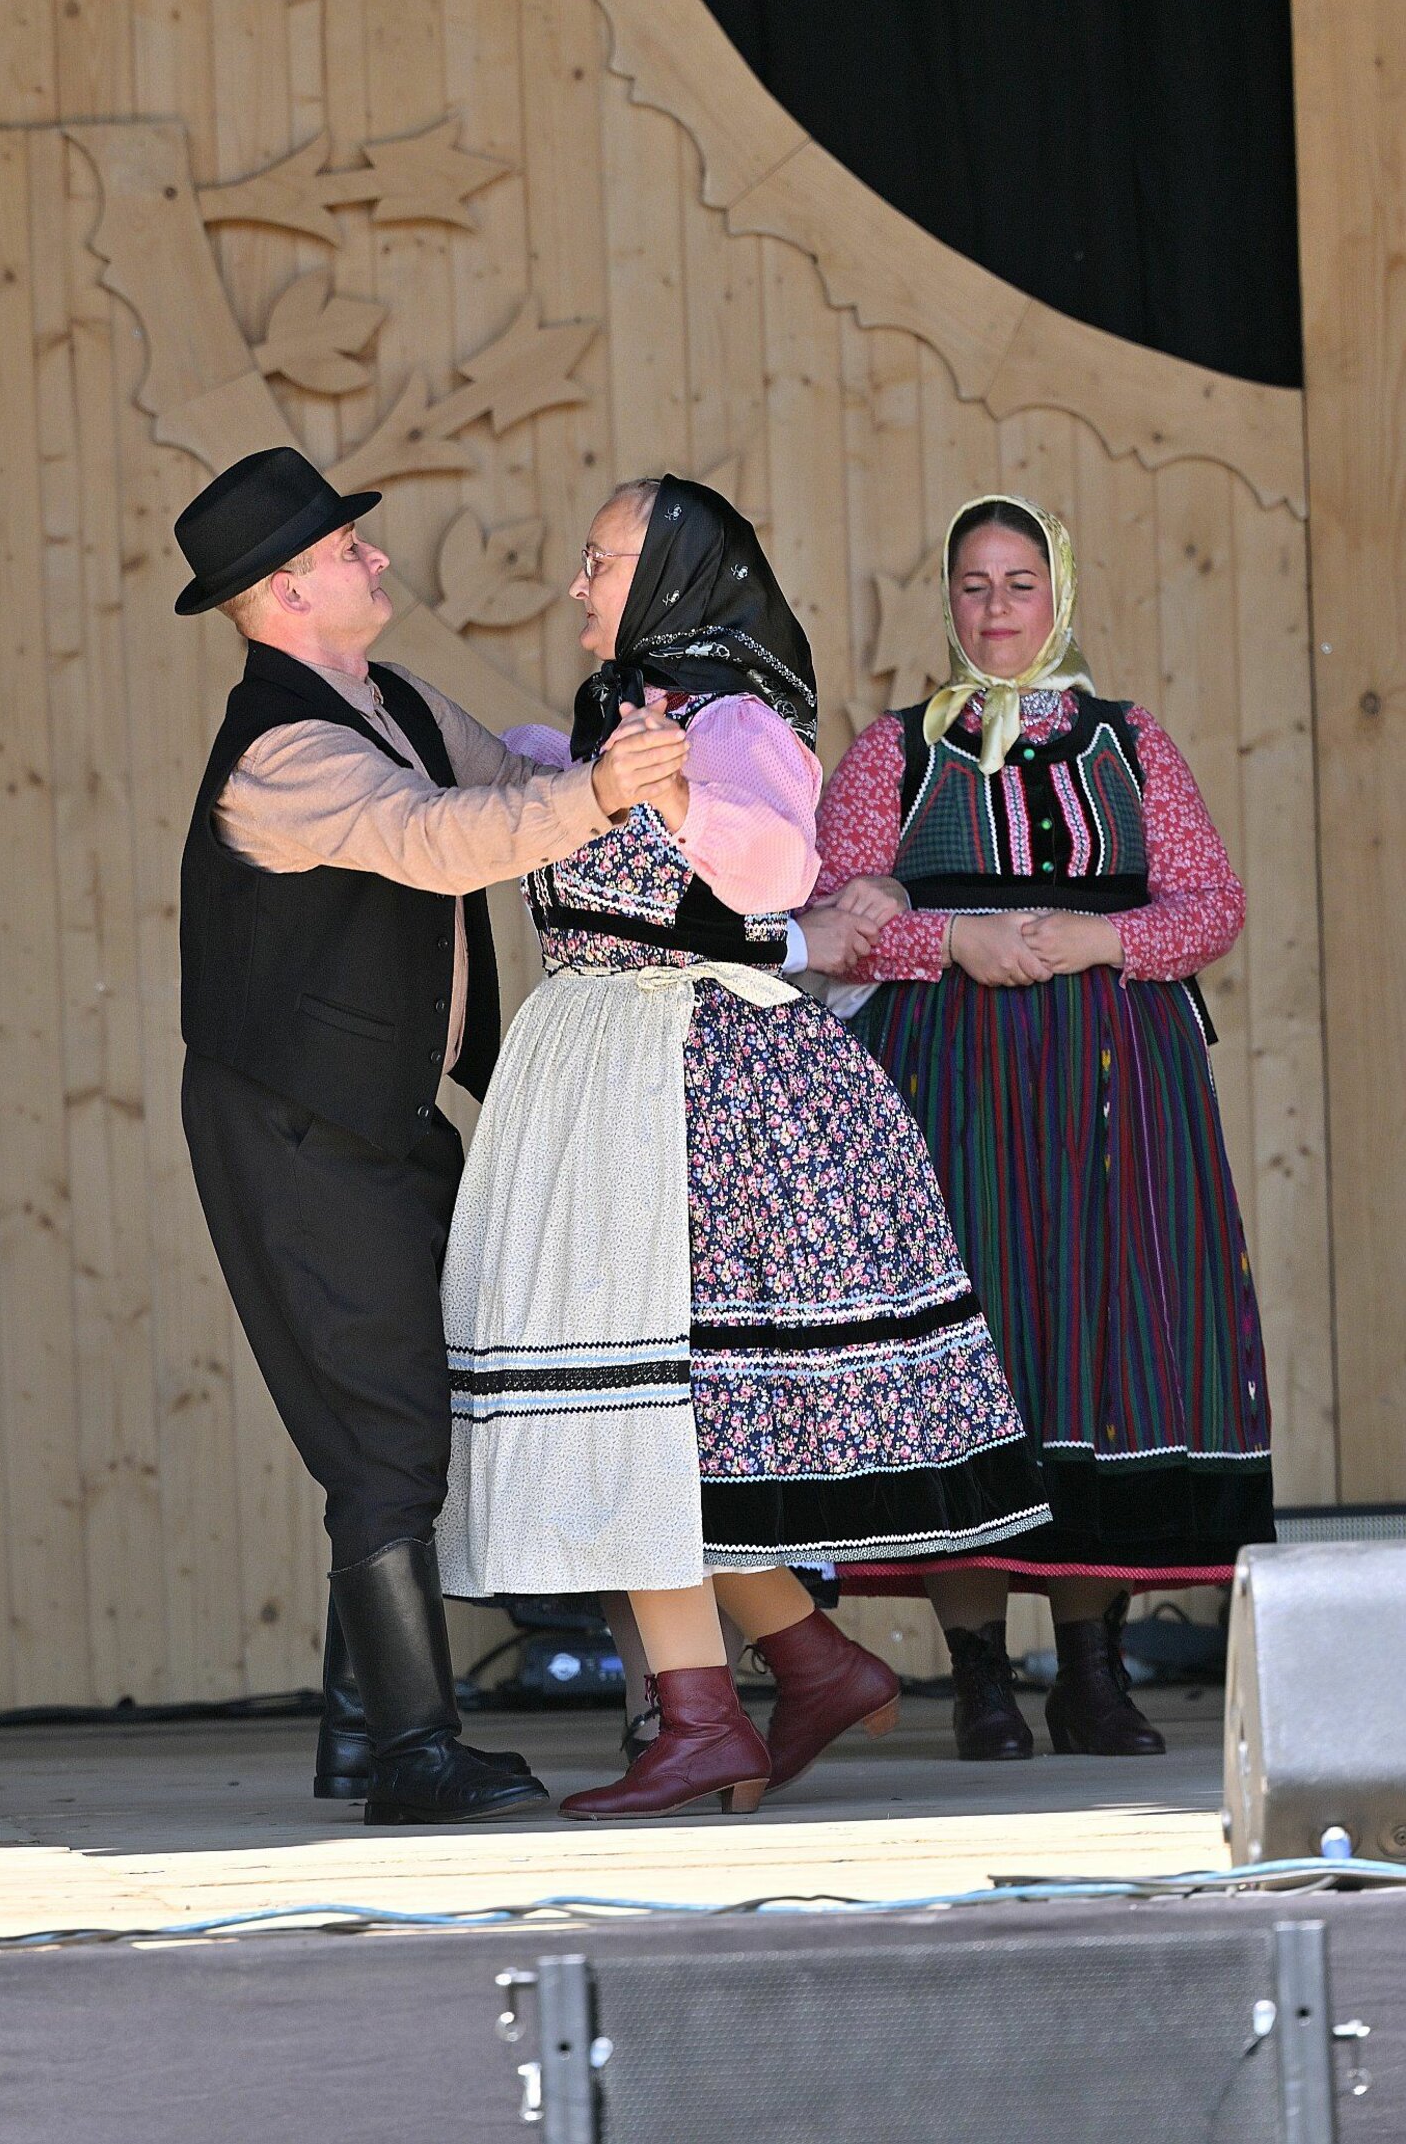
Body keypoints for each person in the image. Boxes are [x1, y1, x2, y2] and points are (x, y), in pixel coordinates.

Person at [436, 475, 1050, 1821]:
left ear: (669, 574)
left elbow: (774, 874)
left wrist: (671, 792)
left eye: (601, 560)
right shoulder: (606, 724)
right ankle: (806, 1662)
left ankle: (708, 1718)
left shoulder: (733, 725)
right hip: (598, 1074)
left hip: (689, 1084)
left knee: (644, 1405)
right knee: (635, 1407)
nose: (580, 584)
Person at [172, 446, 694, 1825]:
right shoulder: (280, 754)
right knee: (386, 1428)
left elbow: (515, 780)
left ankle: (365, 1735)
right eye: (351, 549)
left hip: (381, 1115)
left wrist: (648, 764)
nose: (378, 558)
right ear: (289, 589)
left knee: (422, 1403)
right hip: (294, 1125)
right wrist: (603, 792)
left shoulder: (390, 699)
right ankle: (412, 1753)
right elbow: (446, 839)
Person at [812, 493, 1275, 1759]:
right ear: (947, 600)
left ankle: (1091, 1672)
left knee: (1098, 1348)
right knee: (975, 1349)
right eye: (974, 585)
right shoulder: (894, 751)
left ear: (1056, 594)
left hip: (1112, 1090)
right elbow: (827, 919)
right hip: (946, 1089)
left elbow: (1211, 904)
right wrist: (950, 938)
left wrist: (1096, 937)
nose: (997, 607)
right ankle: (978, 1676)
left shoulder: (1130, 742)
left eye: (1019, 583)